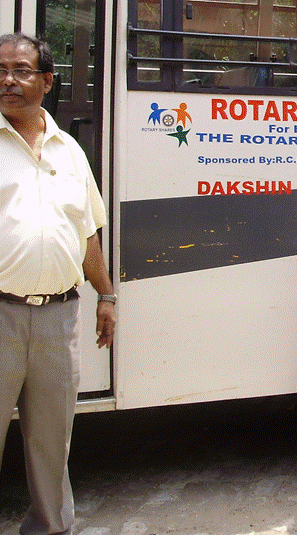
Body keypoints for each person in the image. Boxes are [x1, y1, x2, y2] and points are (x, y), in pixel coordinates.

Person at [0, 33, 116, 535]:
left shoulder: (69, 149)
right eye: (1, 69)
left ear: (46, 81)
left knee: (52, 441)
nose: (8, 79)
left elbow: (86, 229)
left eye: (21, 70)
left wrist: (106, 295)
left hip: (59, 317)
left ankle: (49, 528)